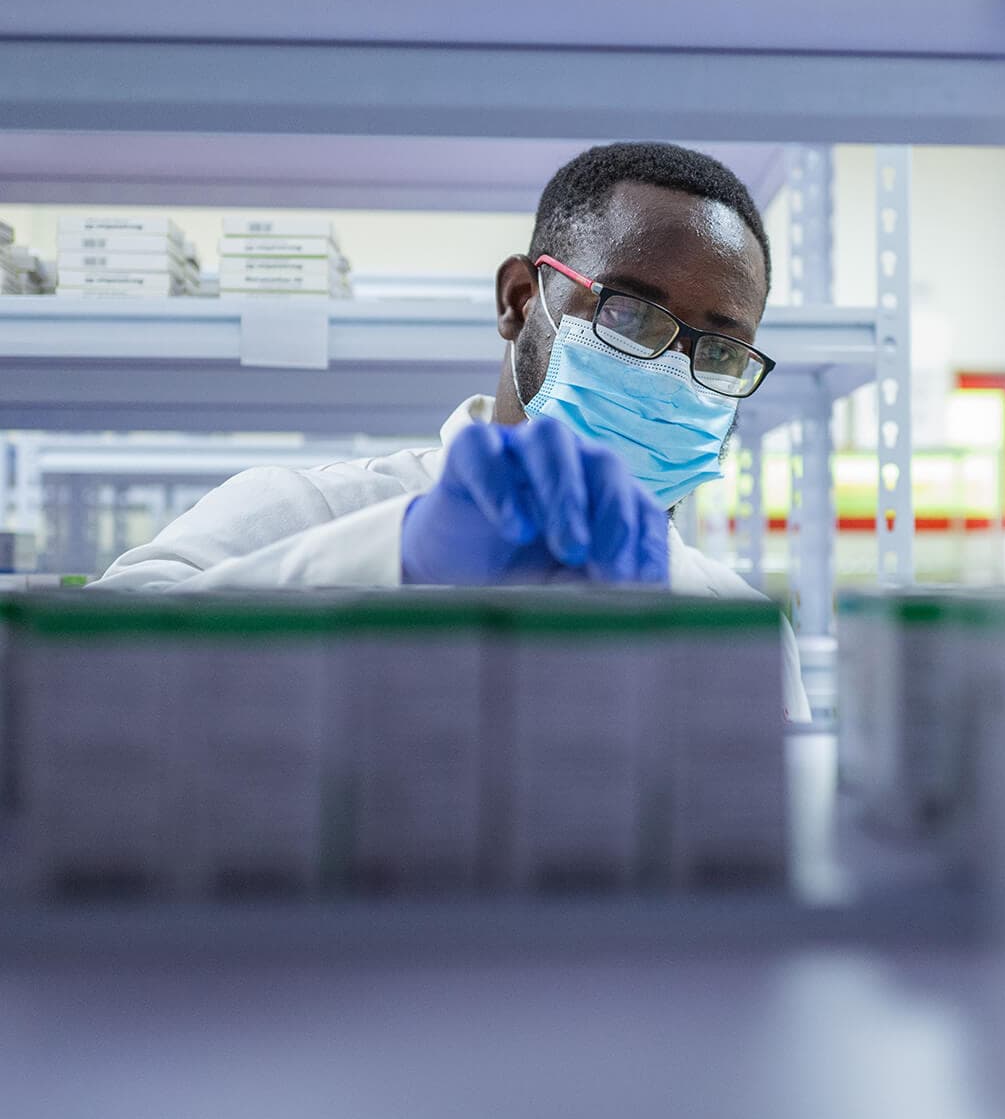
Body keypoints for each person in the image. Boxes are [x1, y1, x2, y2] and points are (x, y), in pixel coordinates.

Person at [96, 142, 810, 719]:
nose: (667, 369)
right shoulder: (306, 513)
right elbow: (70, 673)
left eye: (718, 349)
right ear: (520, 299)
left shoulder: (734, 624)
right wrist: (395, 560)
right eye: (626, 313)